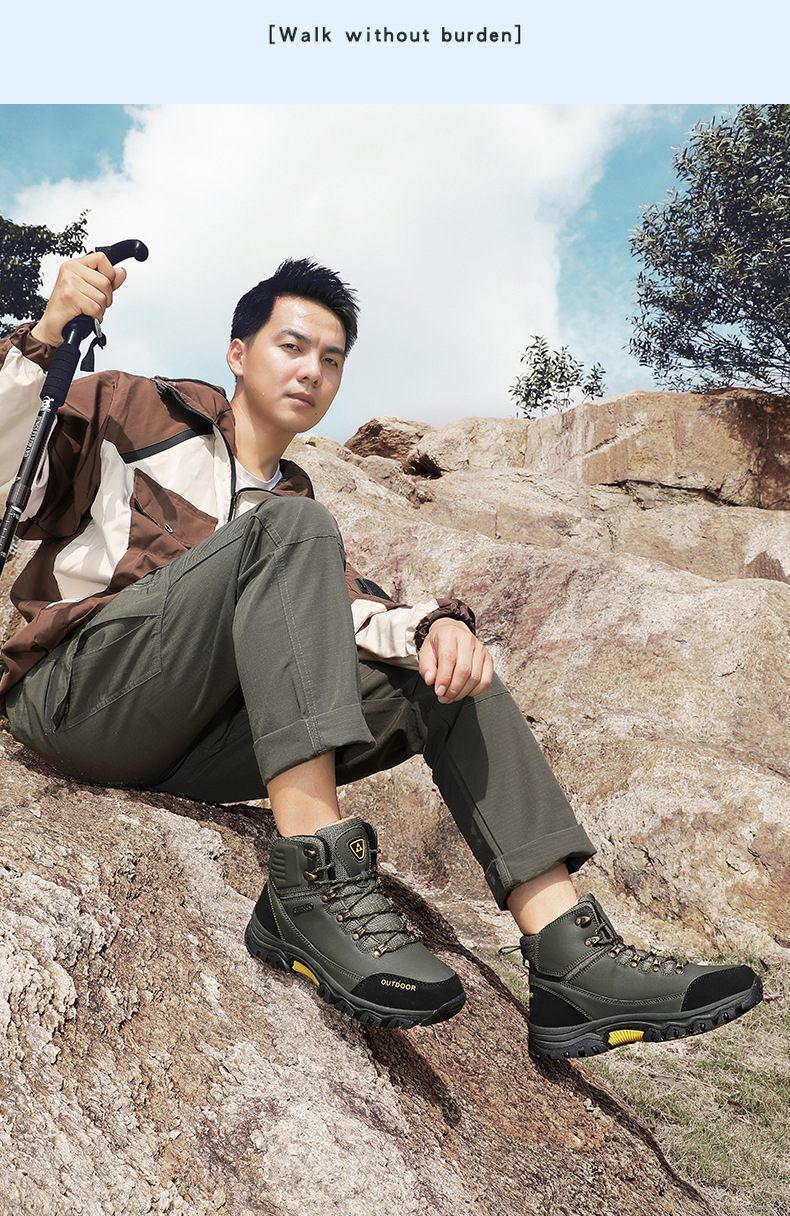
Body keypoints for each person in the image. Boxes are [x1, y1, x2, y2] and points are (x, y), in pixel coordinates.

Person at [0, 251, 762, 1054]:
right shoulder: (134, 409)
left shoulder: (292, 505)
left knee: (447, 679)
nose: (312, 371)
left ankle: (572, 961)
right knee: (292, 530)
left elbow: (352, 615)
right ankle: (313, 883)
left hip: (185, 748)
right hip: (76, 697)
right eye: (292, 346)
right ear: (238, 353)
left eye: (331, 360)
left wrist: (437, 630)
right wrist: (46, 336)